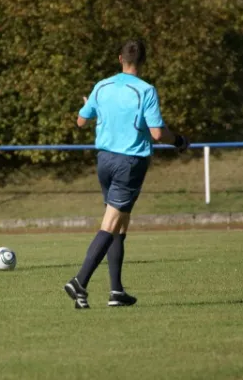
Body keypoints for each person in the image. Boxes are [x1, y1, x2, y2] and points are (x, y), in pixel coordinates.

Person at [64, 39, 189, 309]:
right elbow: (157, 133)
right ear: (143, 60)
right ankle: (79, 281)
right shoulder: (145, 90)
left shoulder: (103, 85)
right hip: (129, 162)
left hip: (104, 161)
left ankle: (116, 291)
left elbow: (81, 120)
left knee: (120, 223)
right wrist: (178, 140)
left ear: (120, 58)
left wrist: (89, 105)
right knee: (110, 224)